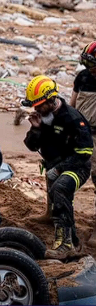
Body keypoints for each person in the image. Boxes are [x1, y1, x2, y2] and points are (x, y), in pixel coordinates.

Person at [22, 75, 93, 259]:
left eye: (39, 105)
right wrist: (36, 129)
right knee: (54, 186)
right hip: (55, 164)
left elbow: (84, 153)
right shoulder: (43, 117)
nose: (36, 109)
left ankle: (66, 244)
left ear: (52, 100)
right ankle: (53, 216)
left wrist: (61, 168)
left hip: (78, 167)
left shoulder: (73, 119)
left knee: (61, 188)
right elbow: (30, 146)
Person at [69, 41, 96, 246]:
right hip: (81, 132)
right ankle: (53, 215)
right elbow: (72, 103)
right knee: (58, 171)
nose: (89, 68)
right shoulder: (83, 77)